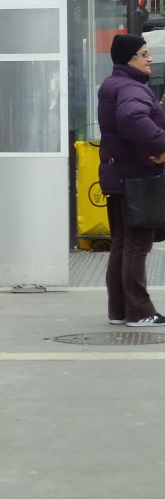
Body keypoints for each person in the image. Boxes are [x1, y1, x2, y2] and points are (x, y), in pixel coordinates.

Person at [97, 35, 165, 327]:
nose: (149, 59)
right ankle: (140, 311)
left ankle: (120, 310)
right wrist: (160, 146)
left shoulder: (114, 84)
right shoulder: (130, 88)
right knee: (137, 246)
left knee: (123, 245)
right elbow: (132, 120)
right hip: (136, 178)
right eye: (144, 54)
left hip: (120, 176)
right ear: (129, 59)